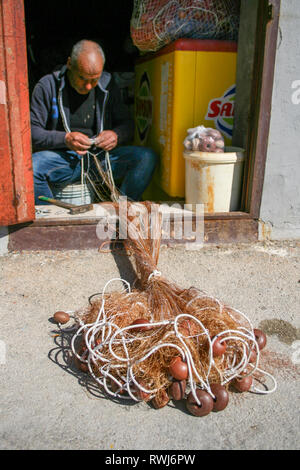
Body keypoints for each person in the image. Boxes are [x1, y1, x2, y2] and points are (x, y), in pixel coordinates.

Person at [30, 39, 158, 204]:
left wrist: (116, 135)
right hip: (63, 159)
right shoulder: (47, 85)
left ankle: (124, 212)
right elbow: (32, 132)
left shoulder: (108, 84)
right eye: (83, 79)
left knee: (146, 157)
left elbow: (128, 124)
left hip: (101, 159)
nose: (89, 86)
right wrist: (66, 139)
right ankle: (49, 222)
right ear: (69, 64)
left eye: (94, 79)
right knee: (33, 167)